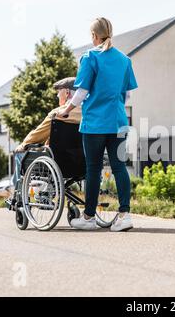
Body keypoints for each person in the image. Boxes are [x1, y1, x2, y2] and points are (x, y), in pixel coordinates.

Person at [57, 17, 138, 232]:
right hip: (119, 121)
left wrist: (65, 111)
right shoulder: (124, 60)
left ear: (94, 36)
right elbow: (127, 94)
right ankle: (124, 215)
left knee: (93, 169)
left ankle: (89, 217)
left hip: (95, 123)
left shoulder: (90, 56)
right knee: (120, 167)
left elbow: (81, 92)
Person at [10, 77, 82, 189]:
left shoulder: (58, 113)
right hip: (82, 162)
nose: (57, 96)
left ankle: (16, 192)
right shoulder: (89, 113)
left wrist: (23, 145)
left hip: (58, 161)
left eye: (58, 92)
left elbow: (38, 134)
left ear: (67, 93)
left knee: (20, 153)